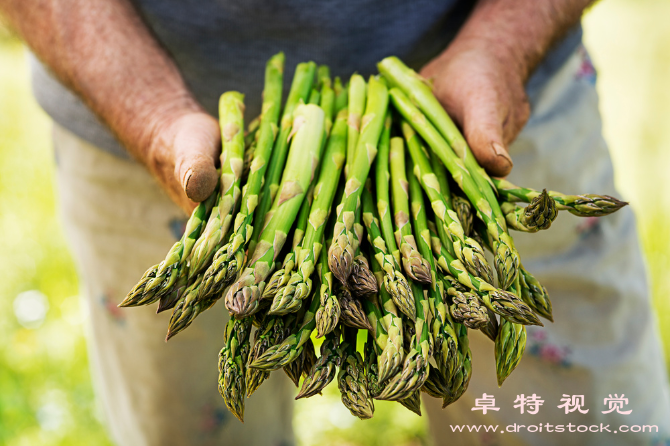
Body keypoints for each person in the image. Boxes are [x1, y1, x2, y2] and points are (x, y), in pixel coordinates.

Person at [1, 0, 669, 444]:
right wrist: (147, 109)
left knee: (585, 427)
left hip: (488, 108)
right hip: (130, 101)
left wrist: (503, 45)